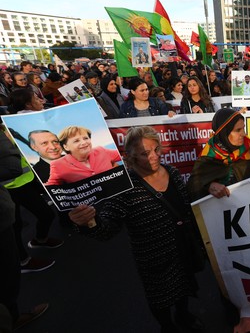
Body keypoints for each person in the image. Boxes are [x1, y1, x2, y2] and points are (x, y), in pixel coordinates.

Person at [68, 126, 204, 333]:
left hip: (182, 249)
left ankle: (183, 316)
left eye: (156, 149)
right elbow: (107, 230)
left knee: (183, 287)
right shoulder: (124, 187)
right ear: (129, 157)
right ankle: (167, 326)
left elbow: (188, 209)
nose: (154, 156)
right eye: (144, 153)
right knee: (161, 299)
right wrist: (87, 221)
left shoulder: (173, 172)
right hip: (153, 259)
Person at [0, 130, 50, 331]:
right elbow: (10, 167)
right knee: (7, 274)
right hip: (10, 192)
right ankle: (12, 318)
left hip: (22, 185)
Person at [188, 108, 250, 200]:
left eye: (243, 128)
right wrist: (208, 186)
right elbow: (193, 187)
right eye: (238, 130)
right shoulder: (207, 158)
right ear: (224, 133)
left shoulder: (248, 147)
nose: (244, 134)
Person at [46, 126, 121, 185]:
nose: (84, 142)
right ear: (66, 147)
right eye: (76, 141)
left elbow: (125, 154)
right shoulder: (57, 165)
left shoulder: (101, 151)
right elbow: (51, 188)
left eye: (85, 138)